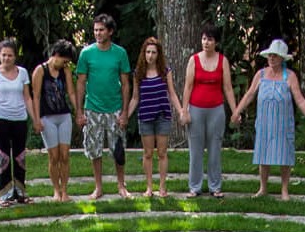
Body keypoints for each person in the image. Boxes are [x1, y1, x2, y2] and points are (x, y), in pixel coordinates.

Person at [229, 38, 305, 200]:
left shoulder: (290, 76)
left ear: (282, 58)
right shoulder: (260, 74)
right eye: (270, 55)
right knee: (263, 154)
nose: (272, 58)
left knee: (285, 156)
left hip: (283, 123)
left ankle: (284, 189)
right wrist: (237, 111)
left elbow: (300, 99)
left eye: (275, 55)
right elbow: (250, 94)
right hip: (264, 122)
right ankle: (263, 187)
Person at [75, 13, 132, 199]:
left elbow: (125, 84)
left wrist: (124, 112)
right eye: (95, 30)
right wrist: (79, 111)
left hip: (115, 108)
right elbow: (81, 83)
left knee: (118, 150)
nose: (98, 33)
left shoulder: (120, 53)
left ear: (110, 31)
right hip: (92, 108)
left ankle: (121, 185)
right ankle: (98, 186)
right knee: (94, 150)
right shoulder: (86, 53)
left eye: (101, 30)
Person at [181, 22, 239, 199]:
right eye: (204, 39)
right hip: (196, 109)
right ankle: (195, 186)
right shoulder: (194, 60)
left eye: (210, 39)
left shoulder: (223, 61)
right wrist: (185, 111)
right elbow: (188, 86)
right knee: (195, 149)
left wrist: (235, 111)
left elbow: (228, 88)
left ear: (216, 42)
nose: (206, 42)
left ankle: (215, 186)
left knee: (215, 148)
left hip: (216, 110)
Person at [125, 36, 183, 197]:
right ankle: (149, 187)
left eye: (154, 52)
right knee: (148, 153)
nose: (150, 55)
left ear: (159, 54)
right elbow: (135, 98)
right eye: (148, 52)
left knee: (162, 153)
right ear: (144, 54)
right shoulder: (138, 74)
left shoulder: (165, 72)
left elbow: (171, 94)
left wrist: (180, 111)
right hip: (145, 117)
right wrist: (126, 116)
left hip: (162, 115)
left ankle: (163, 186)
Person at [0, 38, 37, 205]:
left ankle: (20, 193)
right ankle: (4, 195)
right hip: (0, 119)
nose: (6, 58)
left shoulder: (22, 73)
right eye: (3, 55)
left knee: (20, 157)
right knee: (4, 157)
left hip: (20, 119)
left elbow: (27, 97)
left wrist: (35, 119)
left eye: (10, 55)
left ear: (15, 56)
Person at [31, 40, 78, 202]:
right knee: (54, 156)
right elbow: (35, 96)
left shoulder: (65, 71)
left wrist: (78, 111)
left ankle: (65, 191)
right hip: (47, 117)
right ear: (57, 55)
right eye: (65, 60)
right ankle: (56, 190)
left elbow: (71, 92)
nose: (66, 64)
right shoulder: (40, 71)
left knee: (65, 155)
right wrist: (36, 119)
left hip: (64, 116)